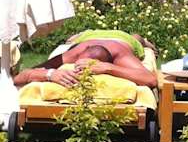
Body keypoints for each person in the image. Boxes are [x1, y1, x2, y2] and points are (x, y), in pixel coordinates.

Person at [13, 38, 158, 90]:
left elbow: (151, 79)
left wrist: (109, 68)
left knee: (137, 37)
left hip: (123, 38)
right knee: (72, 38)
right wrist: (50, 74)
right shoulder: (73, 53)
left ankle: (145, 41)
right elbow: (19, 77)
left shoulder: (120, 53)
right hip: (85, 37)